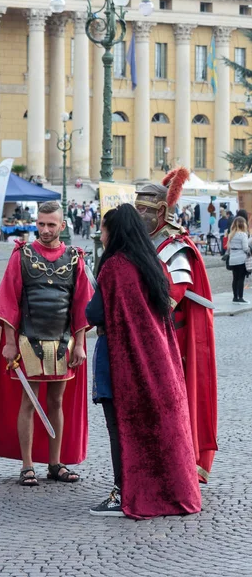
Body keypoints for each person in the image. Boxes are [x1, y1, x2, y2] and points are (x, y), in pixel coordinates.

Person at [86, 204, 201, 519]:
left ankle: (123, 492)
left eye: (104, 229)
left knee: (117, 428)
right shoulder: (152, 263)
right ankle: (159, 490)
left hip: (119, 360)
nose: (101, 234)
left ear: (115, 232)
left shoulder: (115, 267)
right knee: (152, 428)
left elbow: (94, 314)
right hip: (156, 361)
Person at [0, 201, 94, 485]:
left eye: (51, 225)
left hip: (62, 342)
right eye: (41, 224)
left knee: (56, 402)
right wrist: (9, 343)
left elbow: (81, 305)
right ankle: (27, 465)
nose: (45, 230)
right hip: (27, 342)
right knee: (28, 402)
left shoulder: (74, 257)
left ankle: (55, 464)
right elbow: (9, 300)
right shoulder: (22, 255)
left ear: (62, 226)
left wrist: (80, 343)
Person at [135, 167, 218, 484]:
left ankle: (178, 462)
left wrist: (143, 314)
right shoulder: (148, 240)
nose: (139, 213)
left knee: (174, 402)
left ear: (160, 209)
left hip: (172, 339)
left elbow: (176, 289)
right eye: (136, 207)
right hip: (153, 335)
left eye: (144, 208)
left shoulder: (173, 244)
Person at [228, 216, 251, 304]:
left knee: (235, 278)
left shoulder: (231, 234)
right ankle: (240, 297)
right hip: (241, 259)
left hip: (233, 259)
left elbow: (229, 248)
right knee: (241, 279)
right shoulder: (243, 234)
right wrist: (249, 249)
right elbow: (245, 248)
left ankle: (235, 297)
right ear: (243, 224)